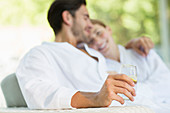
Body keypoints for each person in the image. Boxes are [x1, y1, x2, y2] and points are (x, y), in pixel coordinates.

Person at [16, 0, 152, 109]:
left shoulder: (90, 50)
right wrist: (95, 98)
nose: (91, 25)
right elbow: (39, 92)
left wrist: (133, 43)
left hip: (150, 100)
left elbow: (115, 54)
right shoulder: (41, 53)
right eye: (86, 18)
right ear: (68, 17)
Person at [87, 19, 170, 113]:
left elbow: (167, 84)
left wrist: (131, 90)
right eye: (90, 41)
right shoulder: (101, 72)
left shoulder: (143, 51)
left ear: (109, 29)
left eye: (98, 33)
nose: (97, 41)